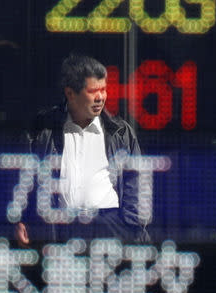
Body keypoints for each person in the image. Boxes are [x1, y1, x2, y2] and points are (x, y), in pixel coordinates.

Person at [15, 54, 147, 246]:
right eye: (93, 91)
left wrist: (131, 228)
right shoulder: (41, 130)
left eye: (103, 90)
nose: (101, 97)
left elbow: (136, 183)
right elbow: (21, 179)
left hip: (109, 228)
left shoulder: (120, 132)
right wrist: (20, 220)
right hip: (59, 229)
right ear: (70, 93)